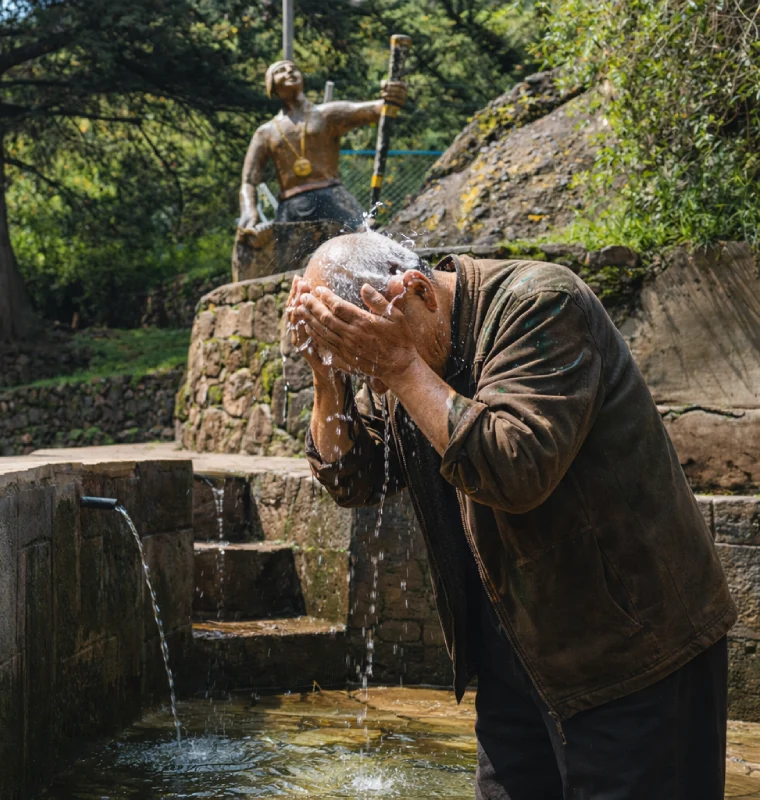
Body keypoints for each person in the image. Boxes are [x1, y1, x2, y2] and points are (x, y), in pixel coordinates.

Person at [286, 230, 737, 798]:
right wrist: (327, 377)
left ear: (418, 289)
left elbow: (513, 468)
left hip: (633, 656)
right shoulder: (398, 342)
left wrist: (400, 367)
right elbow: (356, 480)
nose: (374, 382)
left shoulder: (543, 306)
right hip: (517, 662)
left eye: (371, 361)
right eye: (361, 366)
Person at [237, 61, 407, 239]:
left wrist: (392, 95)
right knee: (284, 263)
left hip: (333, 197)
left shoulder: (327, 114)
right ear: (271, 85)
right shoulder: (265, 133)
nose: (289, 71)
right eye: (280, 70)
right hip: (291, 205)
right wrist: (249, 210)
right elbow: (249, 181)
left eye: (293, 68)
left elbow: (380, 109)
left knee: (366, 242)